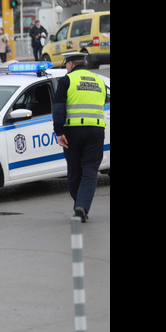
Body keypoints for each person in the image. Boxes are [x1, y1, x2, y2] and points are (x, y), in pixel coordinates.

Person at [52, 52, 107, 223]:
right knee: (90, 171)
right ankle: (81, 207)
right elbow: (103, 101)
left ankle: (79, 205)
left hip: (73, 131)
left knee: (74, 170)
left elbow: (59, 108)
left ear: (70, 65)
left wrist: (59, 131)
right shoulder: (99, 80)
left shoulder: (66, 80)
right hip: (96, 130)